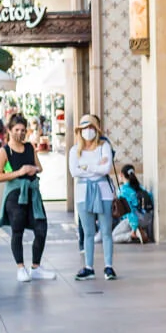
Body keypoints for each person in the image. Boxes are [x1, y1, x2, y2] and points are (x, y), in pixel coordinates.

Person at [0, 113, 55, 282]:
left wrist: (33, 169)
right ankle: (20, 268)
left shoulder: (29, 147)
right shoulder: (4, 151)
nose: (20, 133)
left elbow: (39, 167)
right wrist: (20, 172)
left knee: (41, 229)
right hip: (15, 195)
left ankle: (36, 267)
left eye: (23, 130)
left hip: (33, 193)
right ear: (9, 130)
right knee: (17, 231)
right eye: (17, 130)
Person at [69, 112, 119, 281]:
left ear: (96, 130)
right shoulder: (74, 150)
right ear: (80, 131)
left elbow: (106, 169)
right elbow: (73, 171)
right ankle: (89, 267)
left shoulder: (104, 146)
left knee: (106, 230)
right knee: (88, 231)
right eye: (84, 128)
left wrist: (85, 167)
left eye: (91, 127)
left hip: (103, 191)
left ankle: (108, 266)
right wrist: (95, 166)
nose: (88, 131)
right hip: (83, 193)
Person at [113, 165, 154, 244]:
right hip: (148, 218)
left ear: (121, 175)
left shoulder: (123, 190)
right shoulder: (140, 186)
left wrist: (134, 228)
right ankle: (141, 232)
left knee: (113, 237)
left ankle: (134, 235)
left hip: (135, 219)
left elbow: (129, 211)